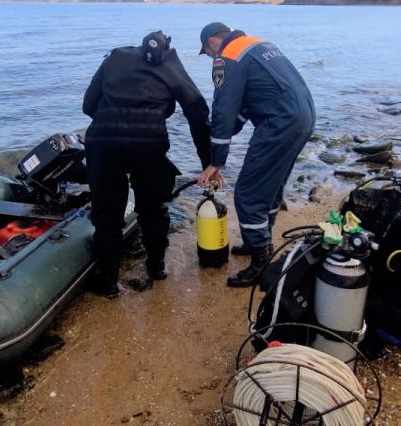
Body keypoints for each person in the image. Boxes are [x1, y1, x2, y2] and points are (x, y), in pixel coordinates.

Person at [83, 31, 211, 298]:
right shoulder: (169, 63)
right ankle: (156, 267)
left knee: (107, 213)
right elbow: (197, 111)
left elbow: (88, 105)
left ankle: (107, 282)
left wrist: (114, 118)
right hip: (149, 143)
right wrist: (208, 162)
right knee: (153, 208)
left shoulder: (114, 57)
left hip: (104, 140)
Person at [196, 22, 315, 287]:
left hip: (280, 122)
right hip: (304, 115)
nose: (211, 57)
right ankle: (258, 240)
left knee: (248, 194)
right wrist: (226, 134)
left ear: (213, 41)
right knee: (270, 188)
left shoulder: (227, 57)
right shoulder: (259, 44)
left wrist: (216, 160)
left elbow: (224, 109)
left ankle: (261, 263)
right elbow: (249, 103)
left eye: (207, 51)